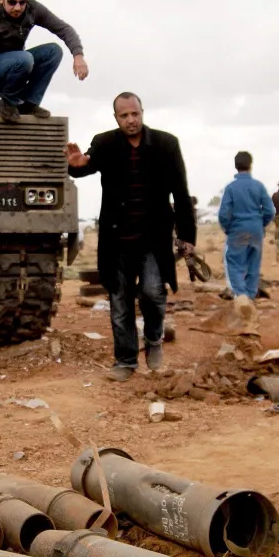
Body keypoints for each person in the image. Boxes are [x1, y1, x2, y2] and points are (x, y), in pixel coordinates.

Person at [66, 92, 195, 380]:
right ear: (116, 118)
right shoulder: (105, 143)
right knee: (120, 302)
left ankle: (153, 338)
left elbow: (181, 192)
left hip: (153, 239)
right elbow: (86, 165)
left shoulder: (166, 144)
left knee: (153, 292)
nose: (131, 120)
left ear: (142, 112)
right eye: (124, 116)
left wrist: (187, 236)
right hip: (117, 242)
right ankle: (125, 361)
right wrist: (75, 165)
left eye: (134, 114)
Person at [0, 0, 87, 126]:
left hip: (17, 65)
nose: (18, 7)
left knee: (53, 52)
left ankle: (27, 103)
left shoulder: (33, 9)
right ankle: (5, 101)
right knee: (24, 59)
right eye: (12, 2)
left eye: (22, 2)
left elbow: (63, 29)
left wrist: (78, 55)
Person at [218, 152, 275, 301]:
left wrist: (229, 229)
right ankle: (250, 297)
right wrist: (261, 224)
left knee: (235, 264)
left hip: (237, 230)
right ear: (251, 165)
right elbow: (270, 211)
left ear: (235, 166)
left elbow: (223, 215)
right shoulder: (259, 186)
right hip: (256, 230)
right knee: (253, 266)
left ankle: (241, 296)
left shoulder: (231, 188)